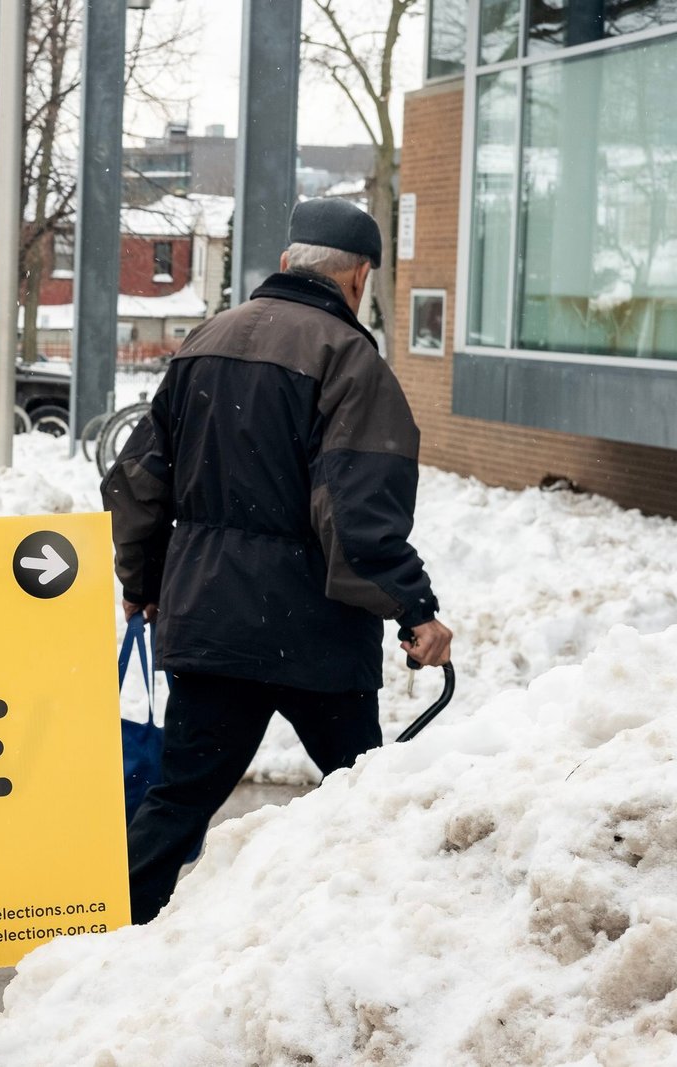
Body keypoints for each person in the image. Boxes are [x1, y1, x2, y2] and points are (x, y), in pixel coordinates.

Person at [103, 198, 453, 925]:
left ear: (290, 262)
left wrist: (142, 581)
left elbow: (139, 479)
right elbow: (357, 516)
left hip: (212, 622)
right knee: (361, 795)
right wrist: (413, 607)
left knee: (178, 798)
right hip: (315, 632)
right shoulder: (351, 361)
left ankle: (107, 938)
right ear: (358, 278)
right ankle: (373, 931)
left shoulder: (207, 340)